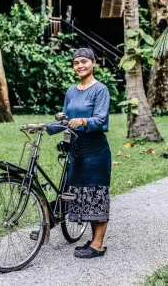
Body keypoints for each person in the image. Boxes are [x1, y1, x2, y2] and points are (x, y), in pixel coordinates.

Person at [46, 47, 111, 259]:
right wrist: (43, 127)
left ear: (93, 63)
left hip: (96, 152)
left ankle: (98, 245)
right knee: (83, 195)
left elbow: (101, 120)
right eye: (76, 63)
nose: (80, 66)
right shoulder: (71, 92)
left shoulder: (100, 90)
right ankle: (93, 241)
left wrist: (83, 121)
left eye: (84, 61)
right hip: (77, 151)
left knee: (96, 195)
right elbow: (64, 119)